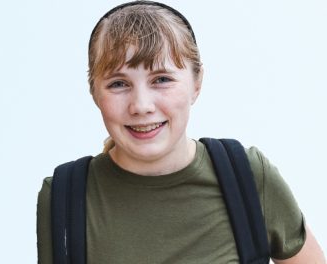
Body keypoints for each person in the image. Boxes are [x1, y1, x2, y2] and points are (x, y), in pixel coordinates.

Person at [36, 2, 325, 263]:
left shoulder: (249, 176)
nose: (141, 105)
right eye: (118, 84)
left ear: (196, 83)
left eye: (161, 79)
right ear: (94, 93)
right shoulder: (62, 198)